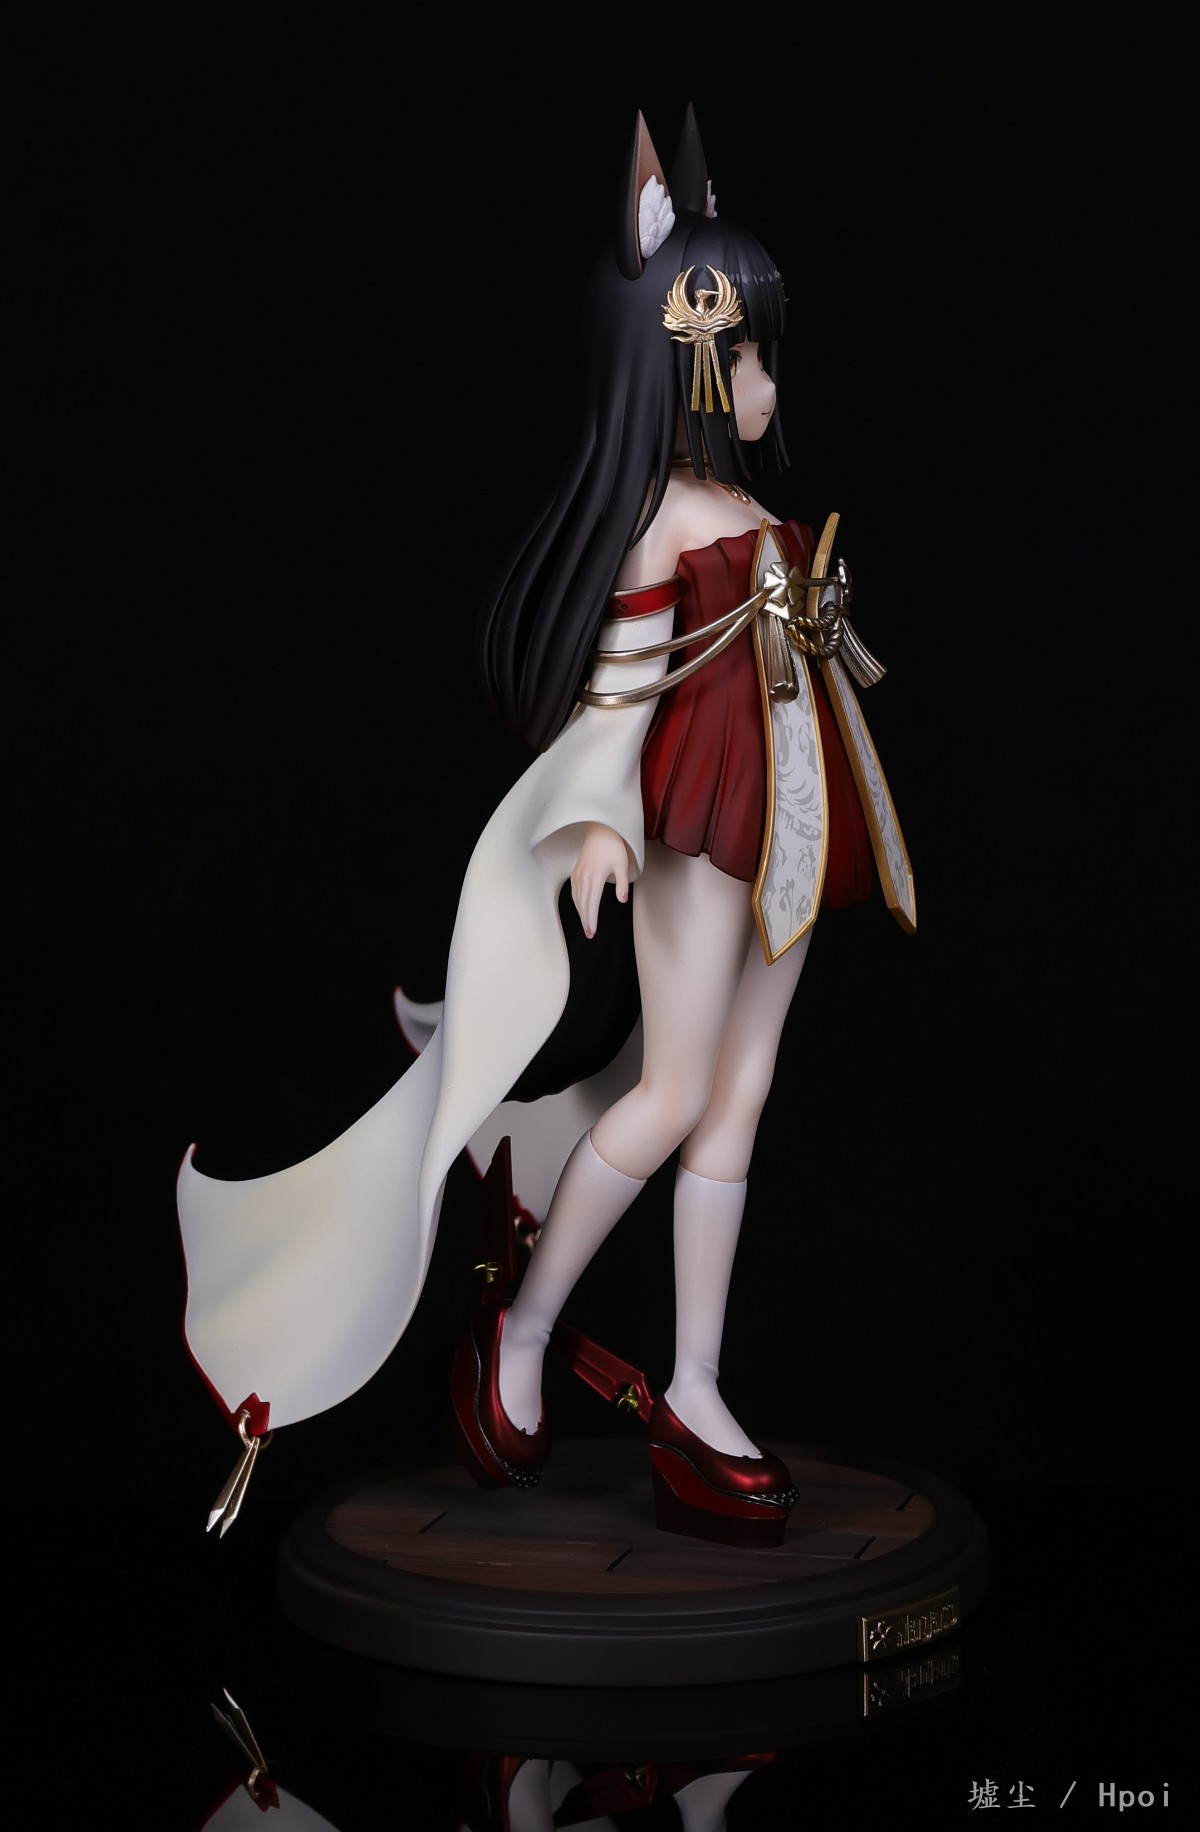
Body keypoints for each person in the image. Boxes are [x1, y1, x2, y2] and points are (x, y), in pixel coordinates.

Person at [179, 107, 915, 1548]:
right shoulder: (665, 519)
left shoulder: (742, 503)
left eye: (764, 352)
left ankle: (696, 1386)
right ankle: (519, 1336)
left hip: (792, 823)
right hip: (699, 824)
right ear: (676, 357)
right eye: (742, 354)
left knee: (741, 1097)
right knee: (672, 1092)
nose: (765, 380)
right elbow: (623, 685)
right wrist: (593, 825)